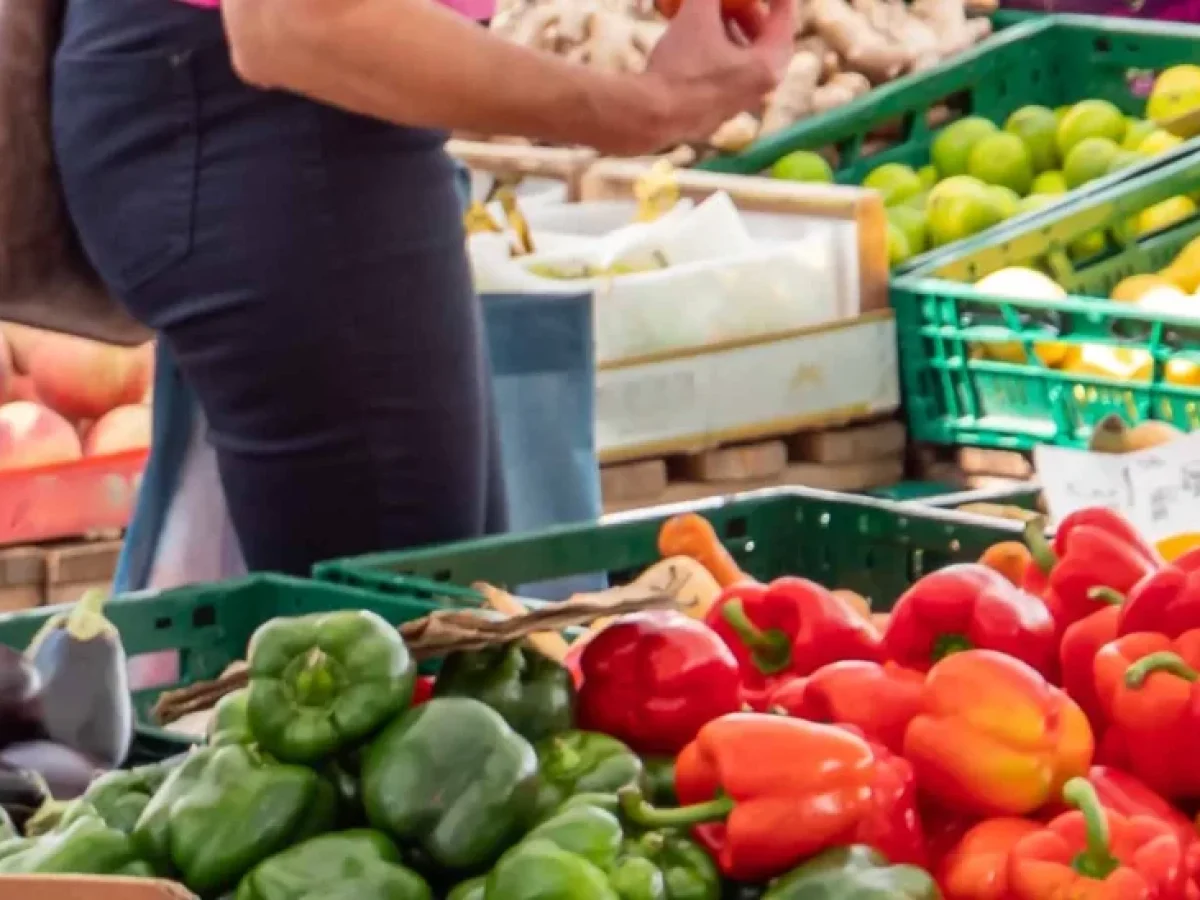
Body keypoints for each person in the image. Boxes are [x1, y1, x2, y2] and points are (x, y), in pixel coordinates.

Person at [52, 0, 793, 577]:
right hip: (283, 130)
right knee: (397, 662)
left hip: (298, 128)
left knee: (432, 618)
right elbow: (294, 25)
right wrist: (634, 110)